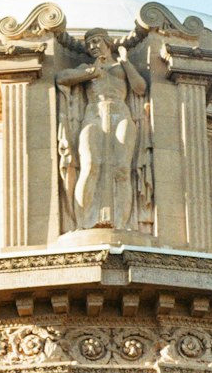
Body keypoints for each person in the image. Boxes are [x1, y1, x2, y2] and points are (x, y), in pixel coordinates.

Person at [57, 31, 147, 231]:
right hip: (94, 115)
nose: (92, 46)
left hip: (121, 114)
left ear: (107, 42)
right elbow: (61, 78)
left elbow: (140, 88)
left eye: (96, 41)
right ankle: (83, 223)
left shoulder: (121, 66)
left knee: (122, 169)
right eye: (88, 44)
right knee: (90, 165)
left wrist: (126, 62)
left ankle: (121, 224)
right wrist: (90, 73)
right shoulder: (86, 68)